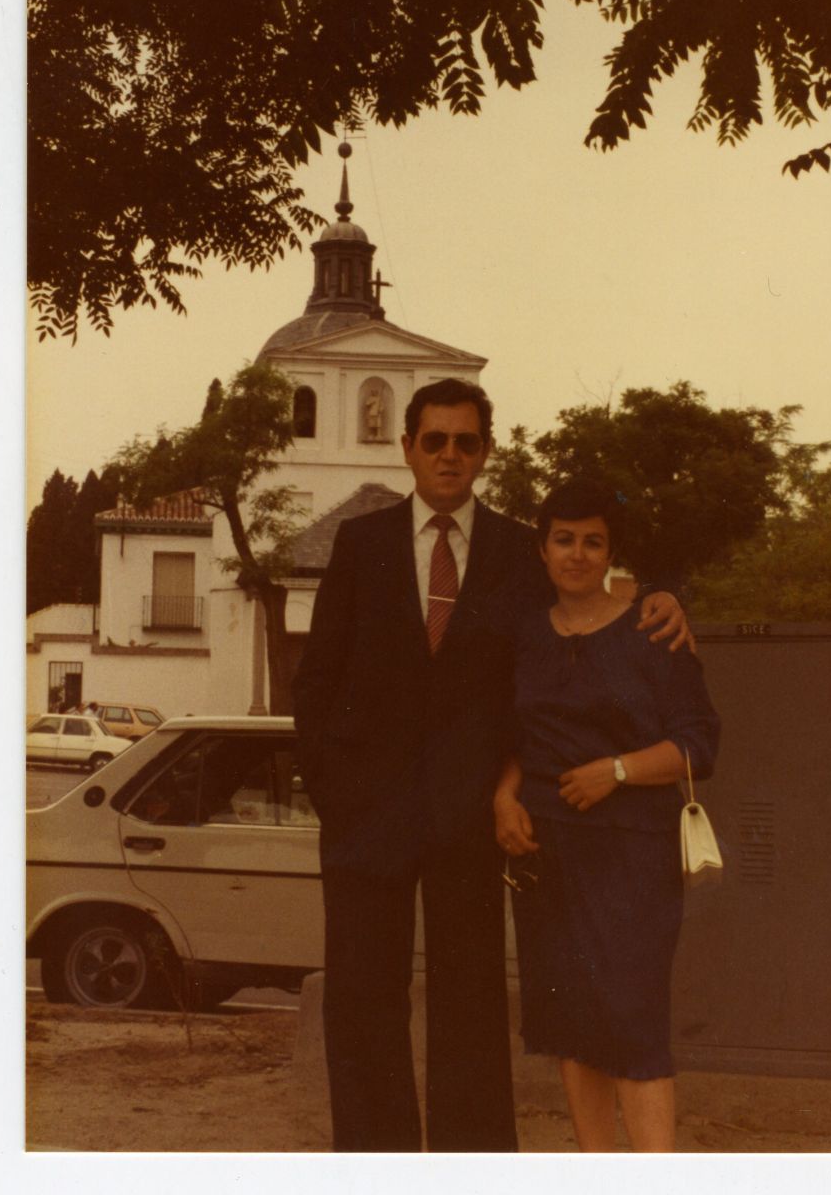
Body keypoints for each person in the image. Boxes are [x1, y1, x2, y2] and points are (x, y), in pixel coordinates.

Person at [293, 378, 691, 1153]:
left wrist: (663, 592)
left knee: (471, 1004)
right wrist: (336, 796)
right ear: (407, 447)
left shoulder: (519, 548)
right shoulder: (361, 543)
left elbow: (592, 591)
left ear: (486, 452)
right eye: (434, 440)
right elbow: (317, 681)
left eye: (465, 442)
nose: (449, 455)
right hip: (365, 821)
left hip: (472, 816)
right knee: (363, 1000)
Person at [493, 478, 721, 1153]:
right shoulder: (525, 636)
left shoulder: (652, 629)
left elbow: (698, 743)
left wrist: (616, 771)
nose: (578, 554)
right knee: (572, 1022)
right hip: (547, 856)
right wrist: (503, 796)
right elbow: (511, 737)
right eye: (564, 539)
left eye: (594, 541)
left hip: (631, 856)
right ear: (542, 550)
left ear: (611, 553)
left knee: (632, 1020)